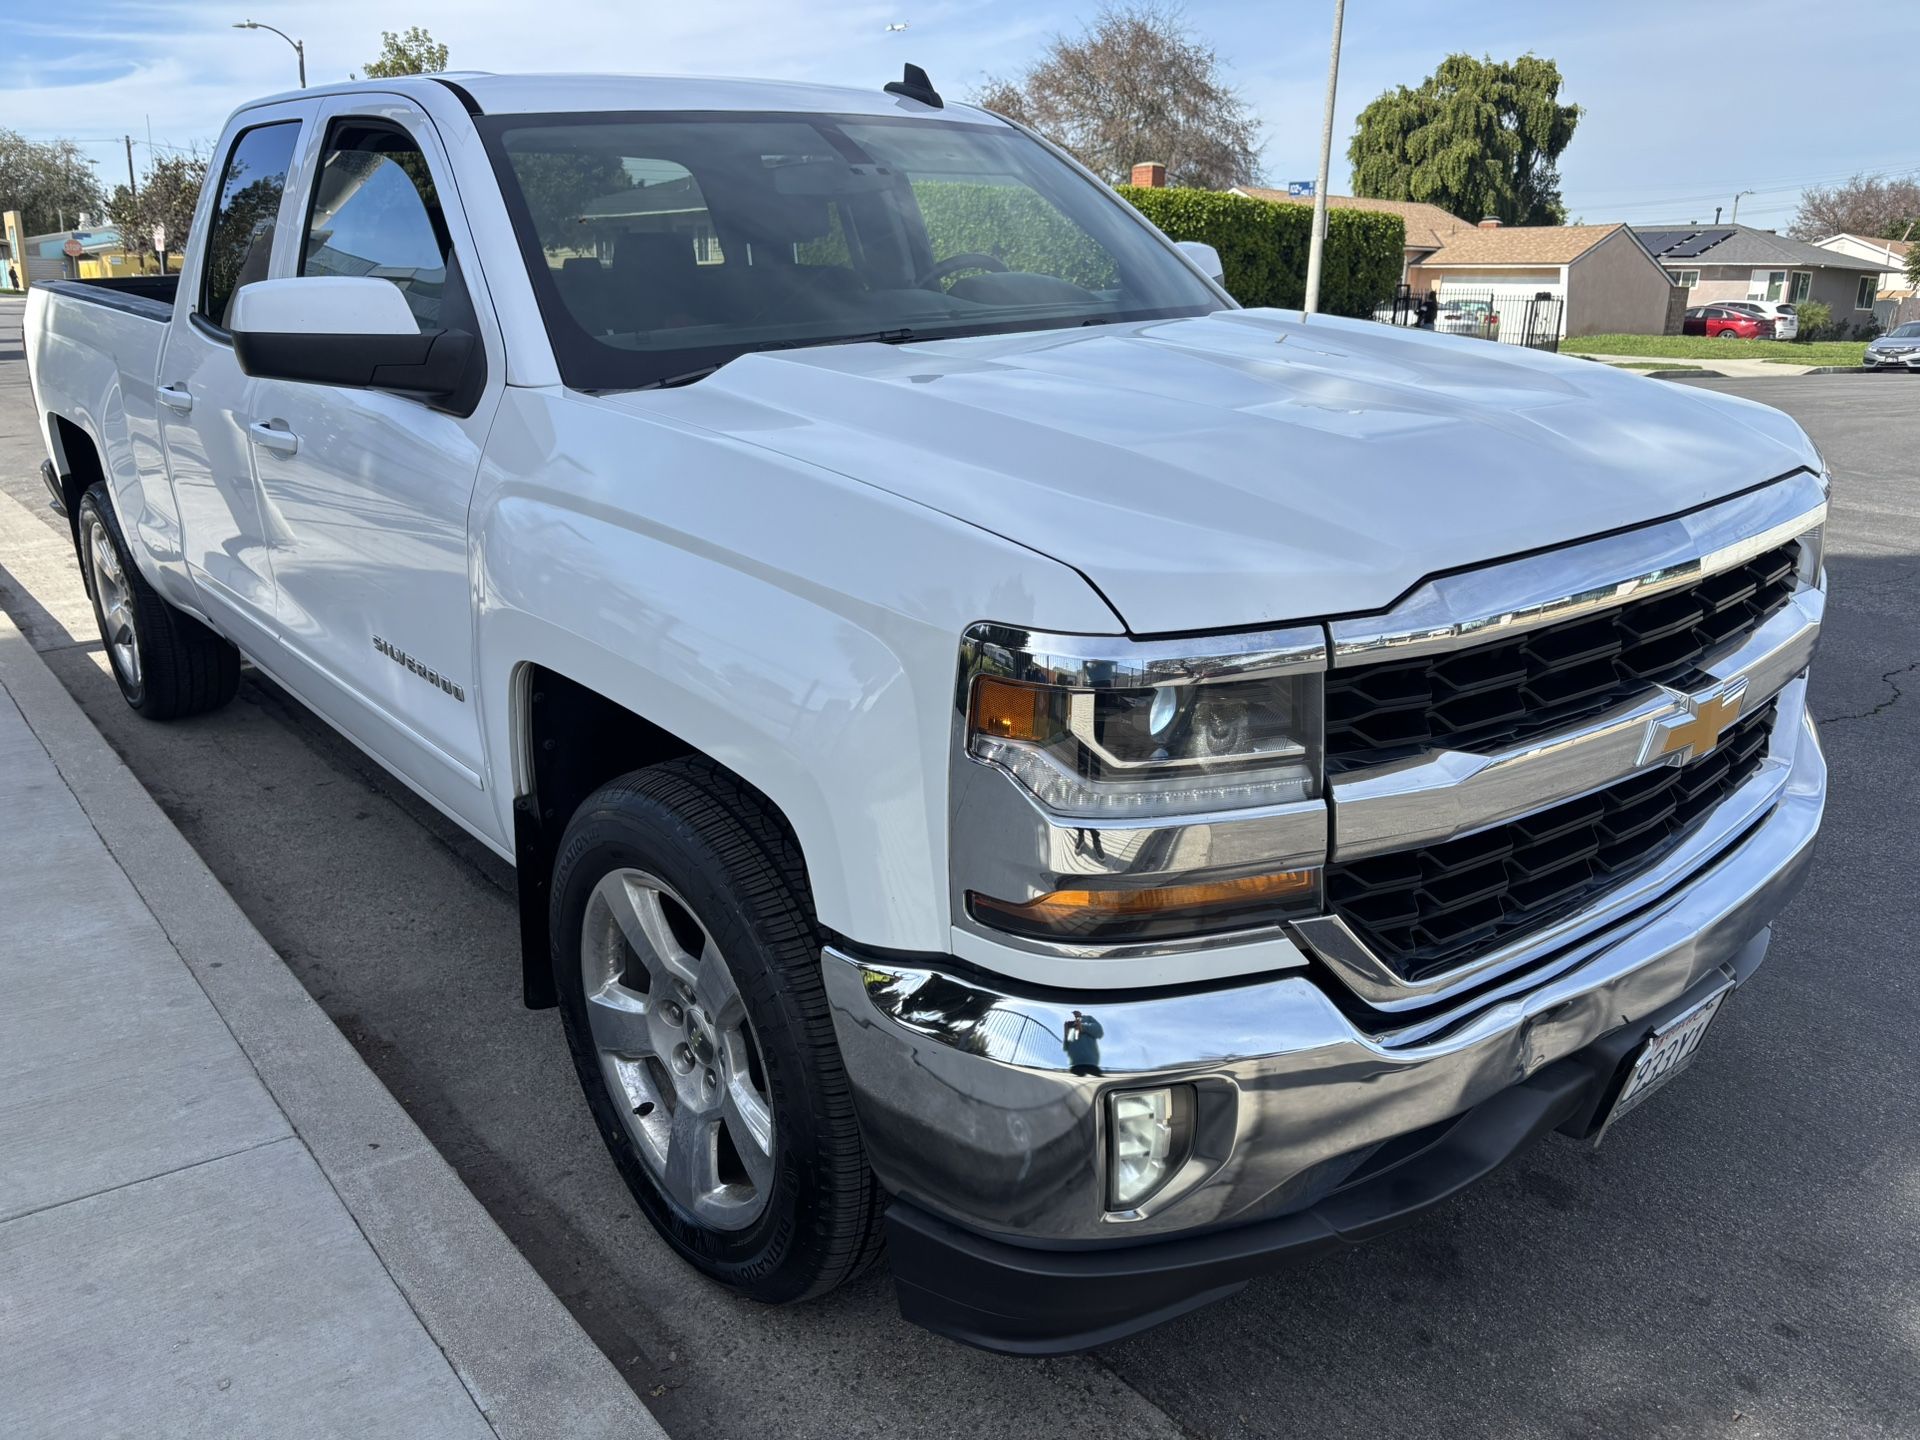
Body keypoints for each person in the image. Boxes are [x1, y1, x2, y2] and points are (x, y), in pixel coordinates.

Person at [1062, 1010, 1103, 1076]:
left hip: (1091, 1063)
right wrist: (1066, 1034)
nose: (1075, 1014)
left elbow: (1099, 1032)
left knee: (1094, 1072)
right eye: (1074, 1013)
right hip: (1075, 1065)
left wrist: (1082, 1027)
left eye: (1077, 1012)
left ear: (1080, 1013)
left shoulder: (1088, 1019)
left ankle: (1092, 1070)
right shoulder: (1072, 1026)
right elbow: (1065, 1048)